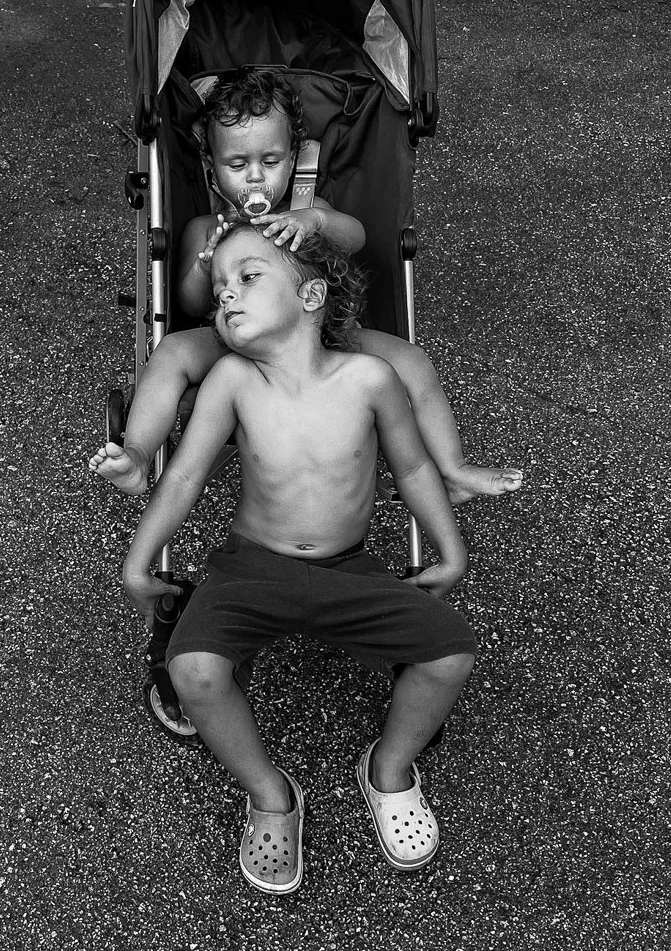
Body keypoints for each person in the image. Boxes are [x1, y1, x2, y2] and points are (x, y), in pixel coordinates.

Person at [120, 222, 477, 894]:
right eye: (220, 286)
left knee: (451, 654)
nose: (226, 295)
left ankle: (390, 770)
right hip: (250, 566)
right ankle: (270, 794)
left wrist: (450, 552)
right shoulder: (230, 380)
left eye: (248, 277)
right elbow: (186, 478)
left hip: (349, 569)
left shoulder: (371, 378)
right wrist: (138, 562)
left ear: (311, 297)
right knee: (193, 670)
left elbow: (415, 470)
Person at [89, 68, 521, 504]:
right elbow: (186, 302)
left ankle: (452, 468)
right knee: (171, 353)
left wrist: (315, 222)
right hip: (234, 340)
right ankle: (138, 455)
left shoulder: (306, 209)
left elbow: (357, 238)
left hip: (321, 338)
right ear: (212, 169)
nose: (256, 178)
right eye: (237, 165)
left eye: (271, 162)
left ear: (293, 160)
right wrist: (205, 267)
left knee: (410, 360)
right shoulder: (206, 227)